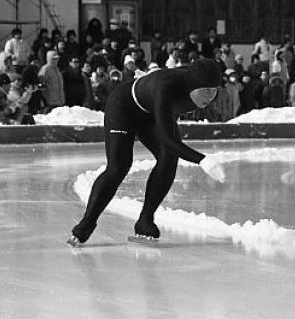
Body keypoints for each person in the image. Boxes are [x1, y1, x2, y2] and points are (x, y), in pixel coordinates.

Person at [69, 59, 226, 245]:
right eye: (205, 90)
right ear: (192, 86)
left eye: (213, 90)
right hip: (124, 107)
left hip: (151, 114)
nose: (209, 96)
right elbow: (168, 140)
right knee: (119, 166)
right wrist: (202, 160)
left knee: (168, 158)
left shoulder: (198, 83)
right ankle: (85, 225)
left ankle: (145, 220)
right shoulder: (166, 87)